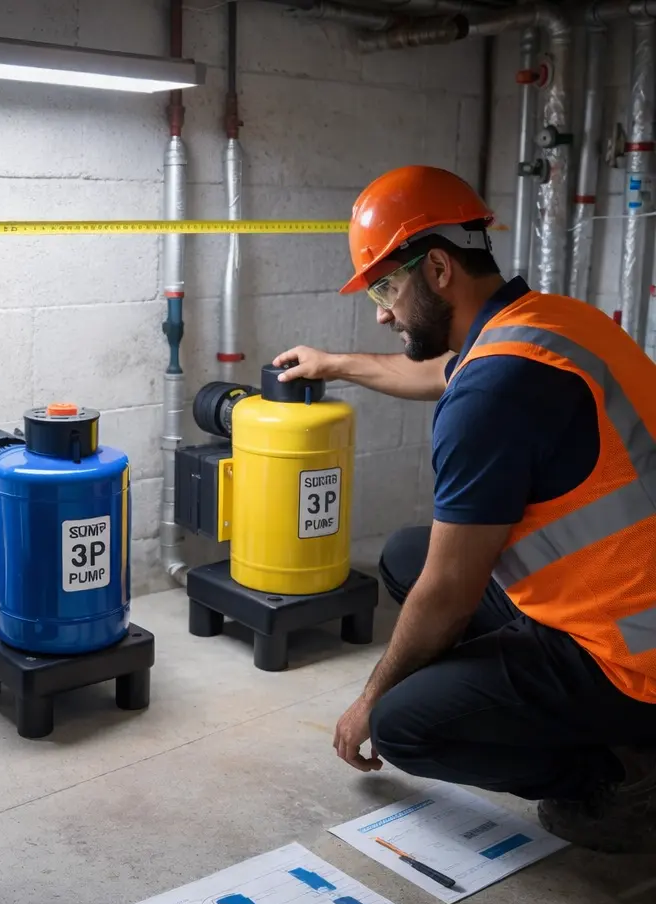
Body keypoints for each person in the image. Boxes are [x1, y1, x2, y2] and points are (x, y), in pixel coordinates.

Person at [272, 164, 656, 854]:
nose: (383, 312)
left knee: (404, 724)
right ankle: (530, 704)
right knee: (404, 555)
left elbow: (449, 595)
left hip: (633, 656)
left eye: (386, 287)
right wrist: (332, 363)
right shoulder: (552, 322)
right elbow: (437, 372)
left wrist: (368, 700)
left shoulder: (494, 396)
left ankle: (614, 776)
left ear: (440, 269)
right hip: (626, 600)